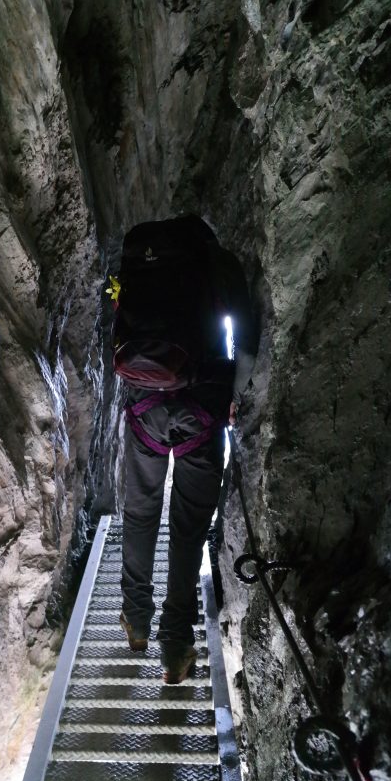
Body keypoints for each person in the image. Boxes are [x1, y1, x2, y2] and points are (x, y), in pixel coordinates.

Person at [113, 215, 257, 684]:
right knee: (188, 529)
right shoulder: (220, 263)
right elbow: (247, 340)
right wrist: (232, 394)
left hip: (143, 411)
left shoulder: (139, 264)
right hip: (202, 410)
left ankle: (136, 619)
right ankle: (175, 646)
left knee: (139, 513)